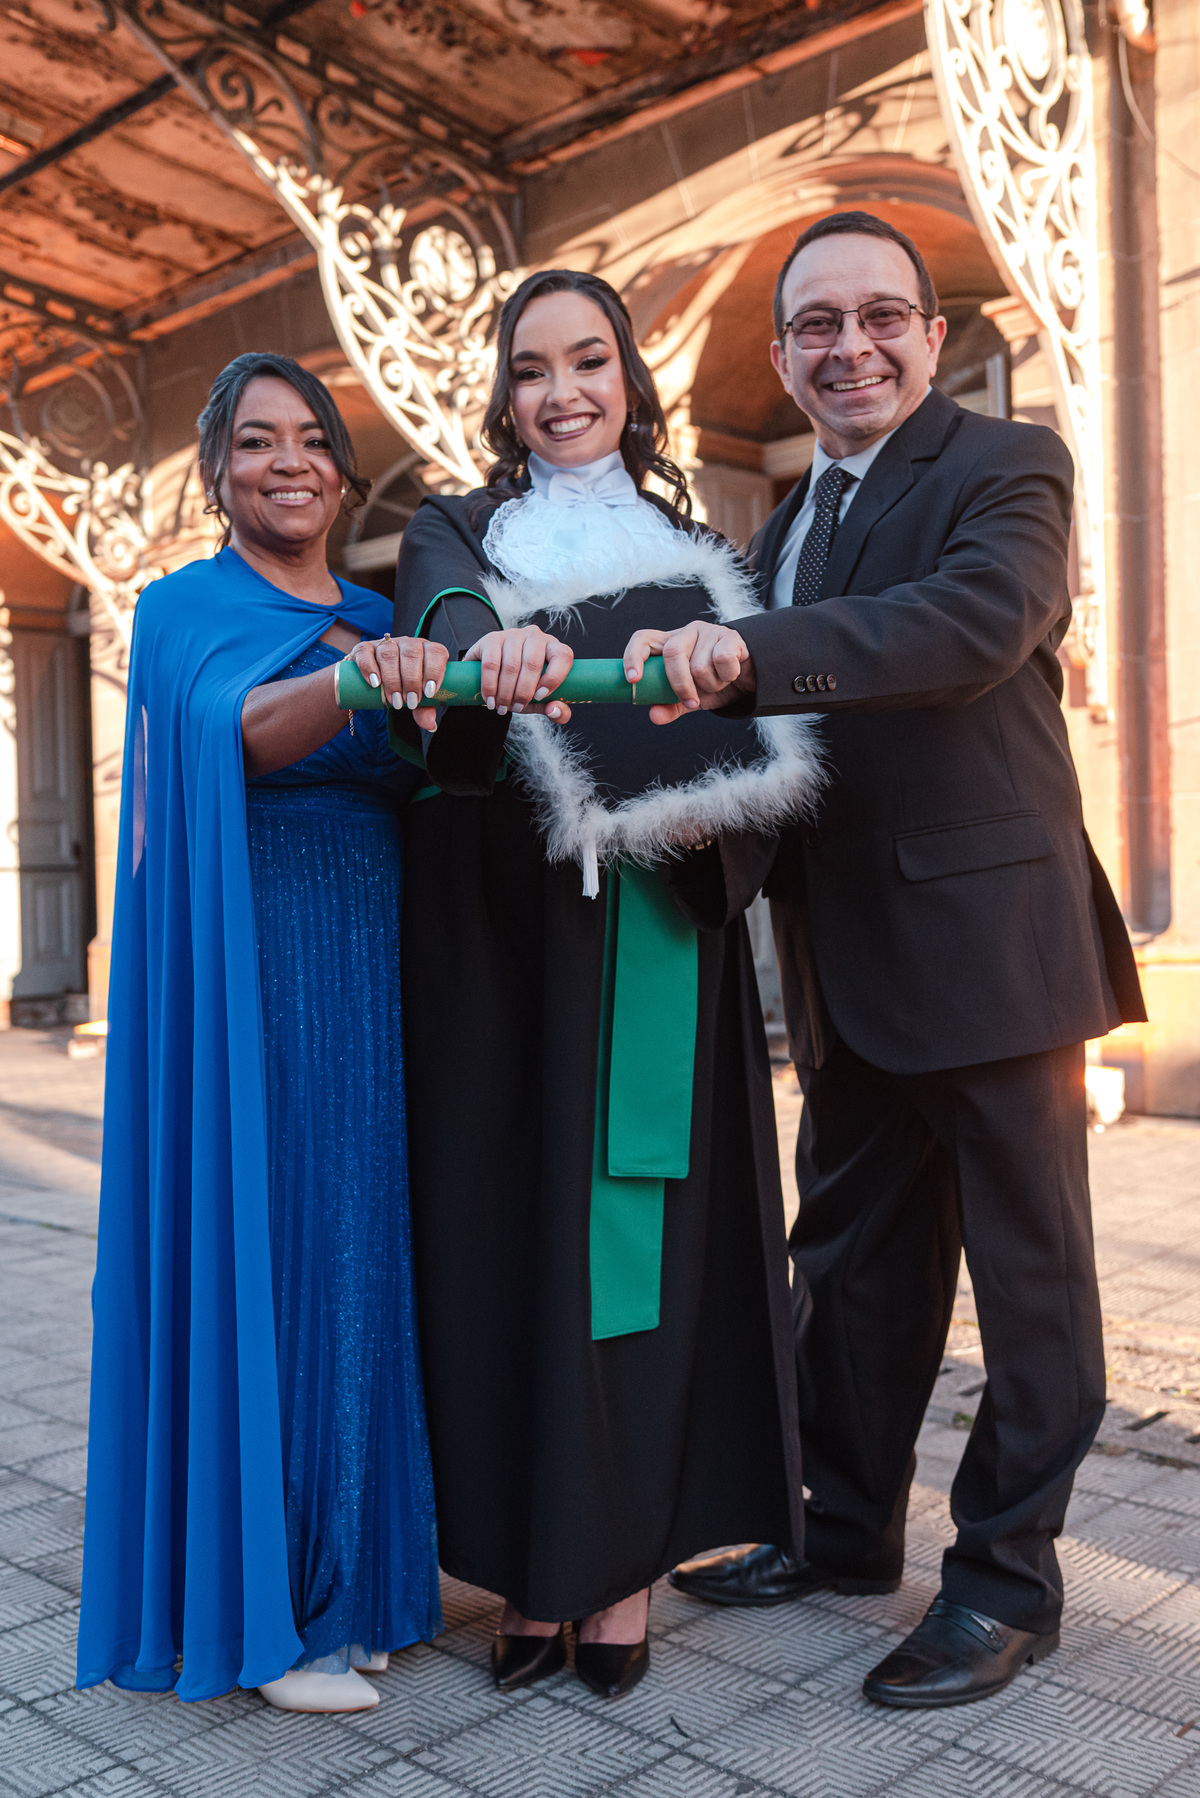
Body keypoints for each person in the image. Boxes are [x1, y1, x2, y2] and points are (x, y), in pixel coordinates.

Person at [623, 212, 1146, 1710]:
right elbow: (774, 745)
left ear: (929, 333)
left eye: (878, 317)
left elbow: (973, 625)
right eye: (817, 327)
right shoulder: (784, 525)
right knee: (847, 1269)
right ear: (783, 356)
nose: (849, 347)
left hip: (992, 950)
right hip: (841, 963)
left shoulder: (1009, 466)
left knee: (1029, 1285)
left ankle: (1006, 1585)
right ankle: (842, 1530)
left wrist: (749, 655)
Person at [391, 269, 824, 1699]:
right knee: (505, 1239)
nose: (563, 391)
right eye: (532, 369)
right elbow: (448, 618)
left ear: (631, 380)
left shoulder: (702, 552)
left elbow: (754, 743)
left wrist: (706, 808)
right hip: (503, 955)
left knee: (641, 1261)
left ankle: (622, 1567)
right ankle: (532, 1566)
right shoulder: (462, 526)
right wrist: (490, 649)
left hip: (655, 940)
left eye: (589, 361)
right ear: (504, 394)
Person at [78, 353, 451, 1713]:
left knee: (369, 1255)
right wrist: (360, 689)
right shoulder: (183, 609)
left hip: (377, 957)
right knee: (283, 1246)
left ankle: (363, 1580)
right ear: (217, 470)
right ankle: (275, 1613)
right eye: (254, 441)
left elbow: (441, 777)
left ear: (343, 471)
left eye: (309, 439)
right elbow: (228, 736)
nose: (285, 461)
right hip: (252, 965)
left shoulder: (383, 613)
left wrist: (436, 700)